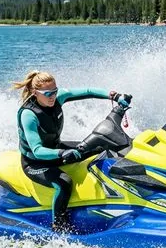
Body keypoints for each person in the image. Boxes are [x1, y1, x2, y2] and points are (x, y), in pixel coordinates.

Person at [13, 70, 130, 233]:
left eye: (54, 91)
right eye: (48, 93)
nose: (52, 96)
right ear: (35, 93)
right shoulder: (28, 115)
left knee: (100, 145)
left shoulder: (58, 98)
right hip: (35, 163)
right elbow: (37, 150)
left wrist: (114, 96)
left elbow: (88, 91)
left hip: (56, 151)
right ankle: (59, 226)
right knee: (64, 183)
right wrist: (62, 153)